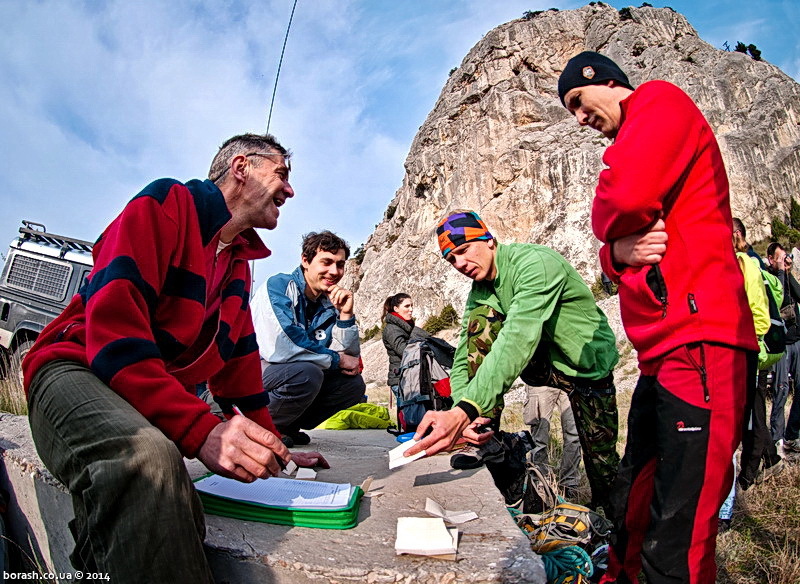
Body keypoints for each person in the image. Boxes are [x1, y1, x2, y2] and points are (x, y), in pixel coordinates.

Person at [22, 133, 327, 584]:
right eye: (281, 174)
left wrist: (274, 449)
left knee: (169, 495)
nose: (290, 190)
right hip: (76, 367)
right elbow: (115, 337)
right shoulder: (165, 204)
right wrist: (201, 431)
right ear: (241, 167)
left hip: (132, 391)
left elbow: (239, 365)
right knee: (149, 459)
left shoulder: (239, 265)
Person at [559, 52, 758, 583]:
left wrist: (608, 231)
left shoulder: (660, 101)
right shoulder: (634, 143)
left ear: (607, 81)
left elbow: (622, 198)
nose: (579, 119)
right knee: (635, 500)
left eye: (579, 101)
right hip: (663, 353)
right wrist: (614, 254)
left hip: (704, 341)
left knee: (681, 526)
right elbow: (618, 244)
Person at [407, 210, 621, 511]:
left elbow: (518, 336)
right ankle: (483, 436)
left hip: (586, 365)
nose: (460, 264)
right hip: (544, 366)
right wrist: (462, 408)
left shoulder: (535, 263)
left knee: (602, 464)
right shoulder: (480, 290)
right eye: (451, 259)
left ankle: (612, 523)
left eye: (464, 250)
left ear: (489, 239)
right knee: (482, 321)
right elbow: (465, 352)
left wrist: (466, 408)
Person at [251, 230, 366, 448]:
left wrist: (345, 316)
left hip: (292, 374)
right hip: (255, 371)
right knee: (307, 373)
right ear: (306, 260)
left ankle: (286, 425)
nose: (334, 271)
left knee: (352, 385)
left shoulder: (328, 304)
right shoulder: (279, 286)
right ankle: (257, 427)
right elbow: (284, 345)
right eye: (327, 262)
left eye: (340, 264)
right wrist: (337, 360)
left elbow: (349, 360)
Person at [735, 224, 784, 490]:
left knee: (752, 415)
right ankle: (771, 459)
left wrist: (747, 349)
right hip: (754, 351)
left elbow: (759, 316)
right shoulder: (747, 261)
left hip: (753, 351)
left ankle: (749, 474)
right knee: (754, 412)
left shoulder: (747, 263)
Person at [766, 242, 800, 453]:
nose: (783, 260)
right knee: (781, 389)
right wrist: (779, 272)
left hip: (797, 338)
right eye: (779, 257)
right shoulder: (769, 277)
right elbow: (776, 302)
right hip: (781, 344)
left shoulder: (785, 276)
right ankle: (776, 439)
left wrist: (788, 273)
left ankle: (792, 434)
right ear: (771, 259)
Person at [524, 385, 581, 501]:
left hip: (571, 379)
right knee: (539, 438)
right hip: (541, 380)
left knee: (575, 434)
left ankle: (570, 484)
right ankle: (540, 482)